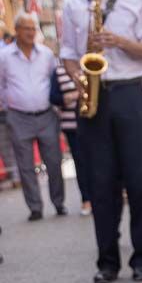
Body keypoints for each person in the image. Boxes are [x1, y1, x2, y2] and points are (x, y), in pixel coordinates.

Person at [61, 0, 142, 283]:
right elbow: (69, 57)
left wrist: (118, 41)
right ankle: (107, 262)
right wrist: (81, 82)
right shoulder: (73, 5)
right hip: (95, 99)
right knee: (100, 185)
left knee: (140, 183)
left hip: (131, 94)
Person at [0, 13, 65, 220]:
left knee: (54, 161)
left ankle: (59, 203)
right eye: (26, 28)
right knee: (25, 165)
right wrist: (7, 106)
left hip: (46, 115)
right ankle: (35, 207)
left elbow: (54, 81)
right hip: (18, 116)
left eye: (33, 28)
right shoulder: (4, 57)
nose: (30, 32)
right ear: (17, 30)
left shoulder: (46, 54)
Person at [52, 60, 92, 215]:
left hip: (95, 123)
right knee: (81, 164)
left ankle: (106, 196)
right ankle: (87, 199)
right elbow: (53, 96)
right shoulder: (59, 71)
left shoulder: (90, 63)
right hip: (72, 126)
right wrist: (72, 96)